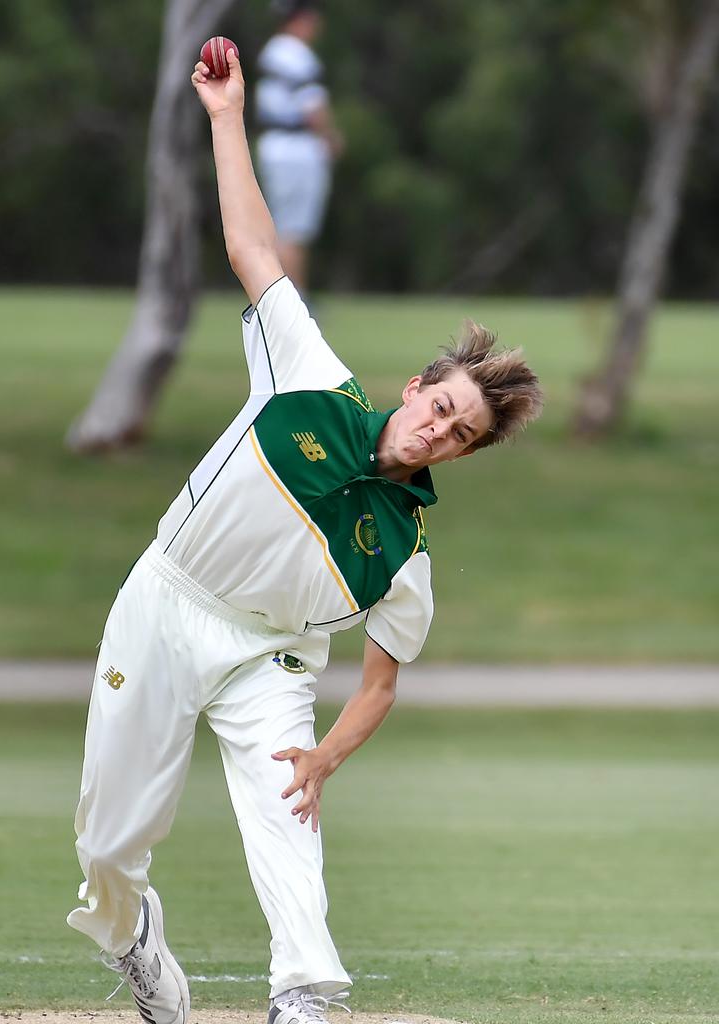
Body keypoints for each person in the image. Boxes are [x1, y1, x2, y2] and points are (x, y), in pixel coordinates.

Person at [66, 46, 543, 1024]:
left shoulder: (405, 549)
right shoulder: (311, 378)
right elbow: (253, 252)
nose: (438, 428)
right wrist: (226, 115)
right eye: (440, 405)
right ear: (416, 387)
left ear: (465, 452)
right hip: (168, 600)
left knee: (287, 804)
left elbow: (379, 680)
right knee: (112, 843)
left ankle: (305, 996)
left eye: (461, 432)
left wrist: (325, 758)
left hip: (273, 657)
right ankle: (132, 941)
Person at [255, 0, 343, 295]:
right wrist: (331, 138)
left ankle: (284, 296)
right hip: (296, 149)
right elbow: (312, 107)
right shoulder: (297, 54)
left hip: (275, 145)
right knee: (293, 230)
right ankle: (294, 299)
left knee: (282, 226)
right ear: (300, 20)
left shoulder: (273, 50)